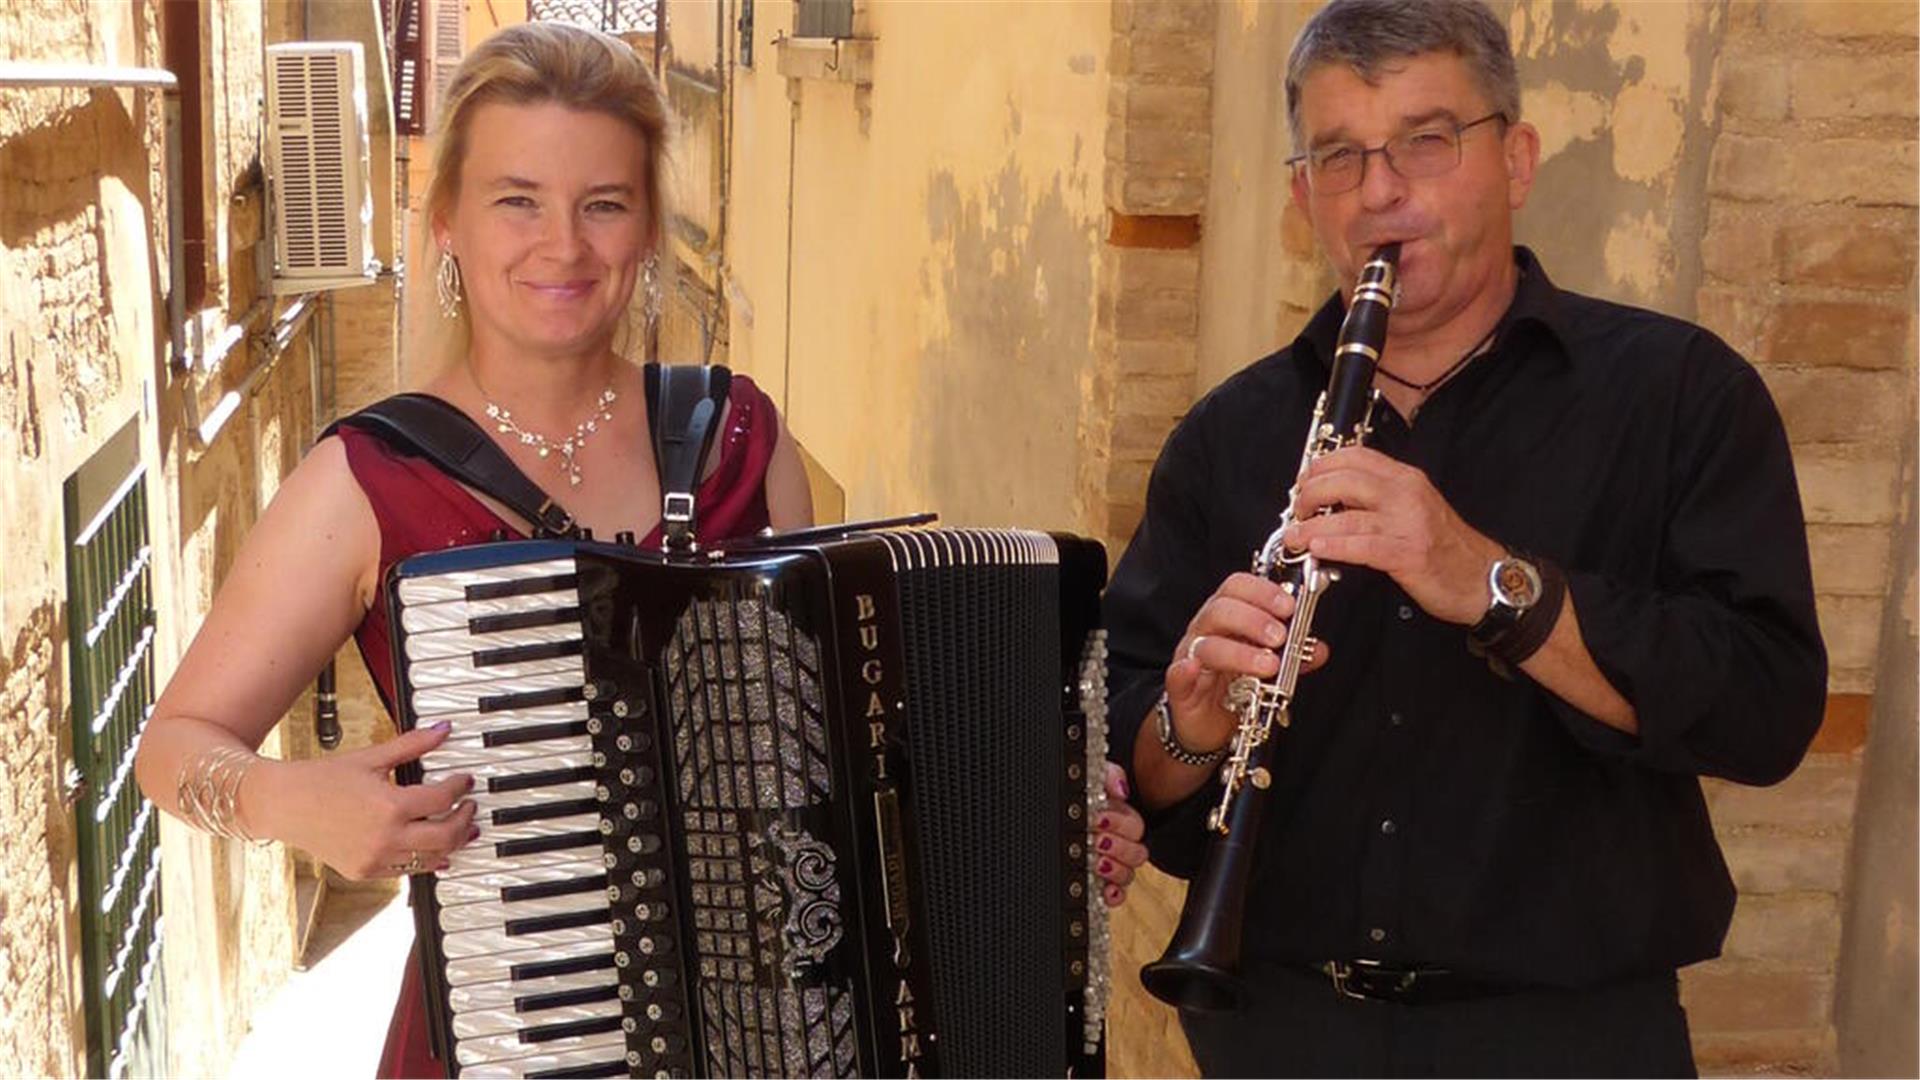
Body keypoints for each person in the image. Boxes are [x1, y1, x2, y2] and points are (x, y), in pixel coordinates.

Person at [134, 22, 1145, 1078]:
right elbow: (176, 744)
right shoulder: (368, 478)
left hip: (768, 1043)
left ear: (650, 227)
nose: (562, 246)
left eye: (603, 205)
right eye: (516, 199)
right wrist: (292, 800)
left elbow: (848, 753)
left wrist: (1047, 821)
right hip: (502, 1039)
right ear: (446, 223)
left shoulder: (739, 441)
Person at [1103, 1, 1826, 1076]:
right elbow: (1135, 763)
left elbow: (1765, 711)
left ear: (1517, 160)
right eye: (1339, 156)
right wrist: (1190, 719)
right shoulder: (1231, 434)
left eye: (1426, 142)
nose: (1381, 190)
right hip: (1279, 1029)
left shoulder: (1679, 395)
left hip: (1570, 1037)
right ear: (1303, 196)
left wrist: (1491, 582)